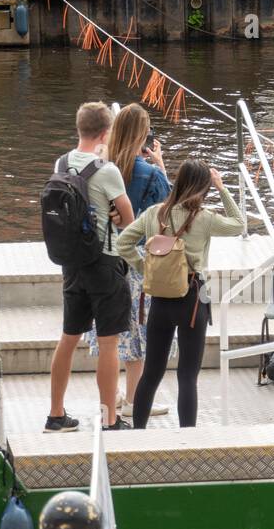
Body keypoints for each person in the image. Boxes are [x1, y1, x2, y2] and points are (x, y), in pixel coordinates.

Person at [115, 160, 244, 429]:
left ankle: (138, 432)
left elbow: (123, 241)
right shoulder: (205, 218)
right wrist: (222, 188)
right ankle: (189, 437)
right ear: (203, 187)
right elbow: (238, 225)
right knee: (187, 376)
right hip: (194, 299)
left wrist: (144, 267)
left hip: (160, 299)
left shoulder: (154, 214)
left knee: (151, 372)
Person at [46, 102, 134, 432]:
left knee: (68, 338)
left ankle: (56, 415)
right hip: (104, 263)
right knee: (108, 343)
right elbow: (129, 219)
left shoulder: (61, 162)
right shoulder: (107, 170)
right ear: (104, 133)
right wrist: (114, 214)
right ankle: (110, 419)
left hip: (72, 264)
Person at [86, 104, 172, 417]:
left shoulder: (100, 168)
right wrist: (161, 165)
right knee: (139, 336)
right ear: (143, 136)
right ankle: (135, 401)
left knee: (110, 338)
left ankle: (111, 399)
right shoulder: (148, 174)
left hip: (104, 261)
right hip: (137, 261)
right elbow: (169, 214)